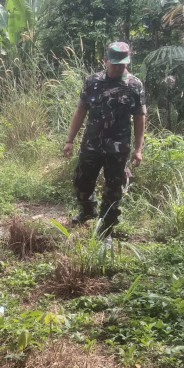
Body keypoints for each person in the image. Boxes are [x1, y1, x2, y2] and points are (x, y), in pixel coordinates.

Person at [63, 41, 146, 241]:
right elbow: (80, 110)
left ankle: (106, 229)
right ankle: (88, 210)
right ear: (105, 60)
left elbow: (140, 117)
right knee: (81, 182)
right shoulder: (92, 82)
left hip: (118, 148)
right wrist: (69, 140)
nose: (118, 67)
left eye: (122, 64)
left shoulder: (135, 85)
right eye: (114, 63)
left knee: (114, 189)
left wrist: (138, 149)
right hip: (91, 144)